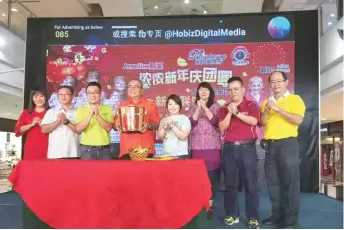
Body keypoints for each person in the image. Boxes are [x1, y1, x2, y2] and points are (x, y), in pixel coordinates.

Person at [260, 71, 305, 229]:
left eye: (279, 81)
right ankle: (277, 215)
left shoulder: (294, 99)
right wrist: (267, 110)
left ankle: (291, 221)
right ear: (269, 84)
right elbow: (262, 122)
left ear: (286, 82)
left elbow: (298, 120)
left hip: (288, 144)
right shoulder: (266, 102)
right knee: (273, 183)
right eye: (272, 81)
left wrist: (278, 109)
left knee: (290, 183)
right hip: (270, 146)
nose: (276, 84)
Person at [218, 76, 260, 229]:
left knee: (251, 185)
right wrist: (229, 112)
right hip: (229, 148)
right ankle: (231, 215)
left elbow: (254, 121)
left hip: (247, 149)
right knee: (230, 185)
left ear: (243, 90)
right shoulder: (223, 108)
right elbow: (222, 127)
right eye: (230, 90)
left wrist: (237, 113)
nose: (233, 92)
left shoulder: (252, 104)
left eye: (236, 89)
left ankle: (253, 217)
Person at [187, 82, 222, 211]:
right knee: (198, 177)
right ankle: (200, 204)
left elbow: (216, 122)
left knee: (212, 177)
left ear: (210, 92)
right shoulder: (192, 107)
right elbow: (191, 123)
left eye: (206, 90)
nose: (203, 92)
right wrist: (198, 108)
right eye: (201, 90)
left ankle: (210, 205)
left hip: (212, 147)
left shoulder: (216, 106)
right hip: (196, 147)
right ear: (198, 93)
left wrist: (206, 108)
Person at [114, 79, 160, 159]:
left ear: (142, 90)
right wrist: (116, 126)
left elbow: (156, 124)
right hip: (126, 149)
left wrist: (148, 125)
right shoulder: (122, 105)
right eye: (130, 87)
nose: (132, 89)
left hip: (145, 149)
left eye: (136, 87)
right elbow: (115, 125)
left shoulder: (150, 104)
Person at [76, 82, 114, 160]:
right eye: (89, 93)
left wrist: (97, 115)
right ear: (86, 95)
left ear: (100, 94)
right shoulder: (81, 109)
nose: (93, 95)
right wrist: (90, 114)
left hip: (105, 148)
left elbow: (108, 128)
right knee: (87, 172)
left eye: (95, 92)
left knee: (107, 172)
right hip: (87, 149)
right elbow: (78, 129)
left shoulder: (108, 108)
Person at [41, 86, 80, 159]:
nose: (63, 96)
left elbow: (79, 130)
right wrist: (57, 122)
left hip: (74, 153)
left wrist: (66, 121)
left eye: (66, 94)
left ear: (72, 96)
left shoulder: (79, 111)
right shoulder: (51, 112)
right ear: (57, 97)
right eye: (61, 94)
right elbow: (44, 130)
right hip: (55, 153)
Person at [14, 89, 49, 160]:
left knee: (47, 169)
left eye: (41, 96)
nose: (38, 99)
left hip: (48, 147)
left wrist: (42, 123)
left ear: (46, 98)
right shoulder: (26, 112)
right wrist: (31, 124)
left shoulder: (51, 112)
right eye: (35, 96)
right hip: (31, 148)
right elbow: (18, 130)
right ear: (32, 99)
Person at [157, 94, 191, 158]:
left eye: (176, 104)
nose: (173, 107)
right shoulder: (164, 120)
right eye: (170, 104)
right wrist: (165, 126)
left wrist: (172, 126)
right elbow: (160, 136)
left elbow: (183, 137)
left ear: (179, 106)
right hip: (166, 154)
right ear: (167, 106)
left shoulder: (185, 119)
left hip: (181, 154)